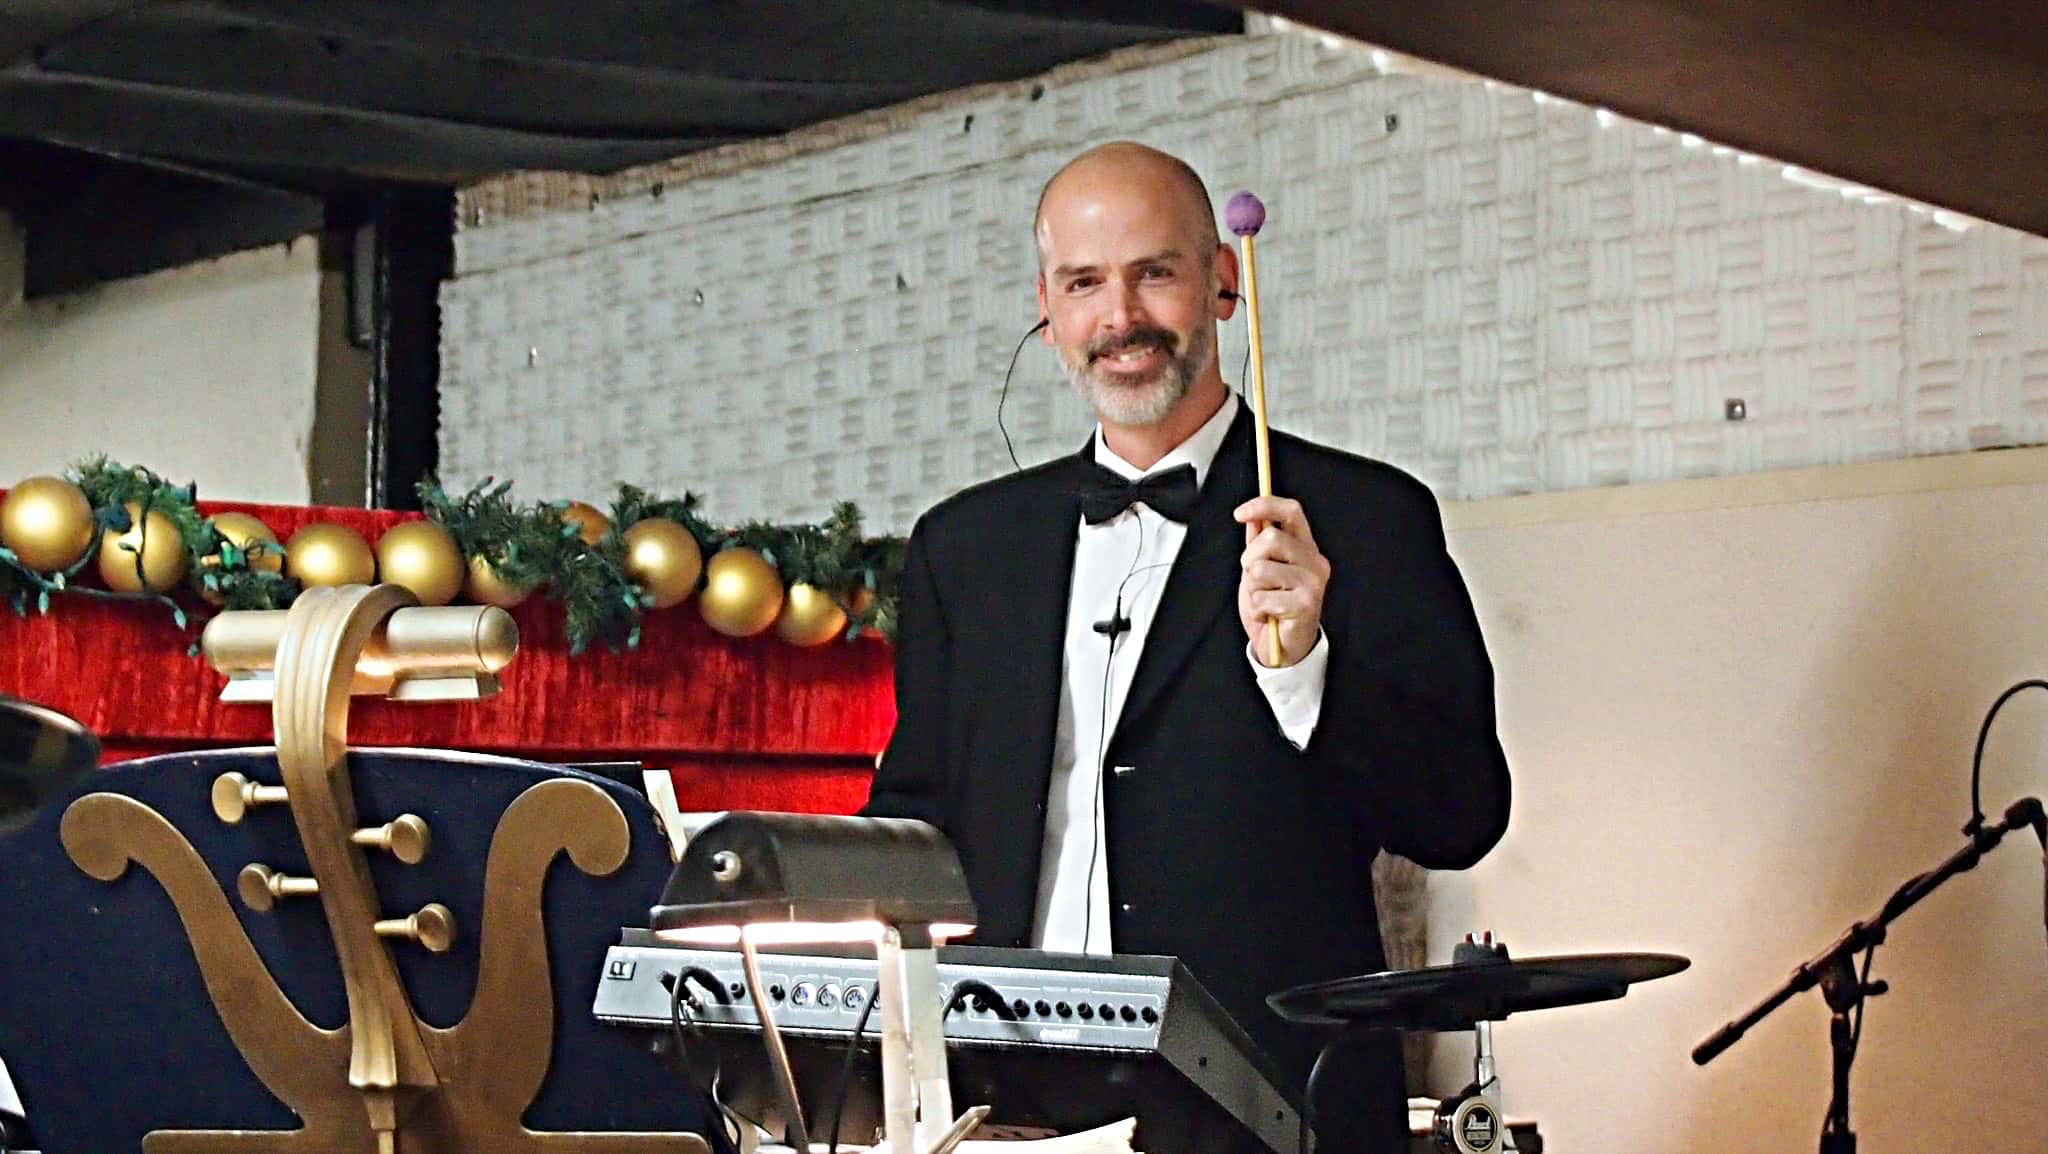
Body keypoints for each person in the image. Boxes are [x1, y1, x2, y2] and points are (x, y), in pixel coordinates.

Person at [862, 141, 1512, 1153]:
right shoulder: (964, 547)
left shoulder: (1365, 516)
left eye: (1153, 272)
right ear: (1047, 307)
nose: (1119, 316)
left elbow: (1461, 811)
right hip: (1007, 1100)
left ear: (1222, 282)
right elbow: (913, 817)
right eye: (1084, 283)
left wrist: (1303, 675)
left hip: (1270, 1101)